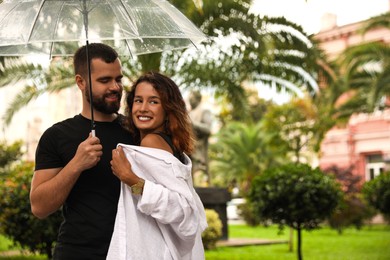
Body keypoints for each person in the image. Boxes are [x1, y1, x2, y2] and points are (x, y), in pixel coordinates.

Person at [30, 43, 134, 259]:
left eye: (118, 79)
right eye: (104, 80)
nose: (115, 87)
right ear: (81, 82)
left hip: (131, 251)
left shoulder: (135, 132)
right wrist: (77, 164)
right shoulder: (56, 136)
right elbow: (39, 206)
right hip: (77, 253)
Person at [107, 71, 207, 260]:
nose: (143, 108)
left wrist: (131, 179)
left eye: (153, 101)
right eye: (138, 100)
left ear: (167, 109)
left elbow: (182, 209)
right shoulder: (170, 144)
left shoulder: (151, 142)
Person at [188, 90, 213, 185]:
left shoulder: (204, 111)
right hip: (189, 147)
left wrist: (193, 124)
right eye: (189, 99)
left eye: (192, 99)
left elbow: (208, 129)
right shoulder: (189, 113)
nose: (190, 101)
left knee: (202, 171)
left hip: (200, 147)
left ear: (198, 99)